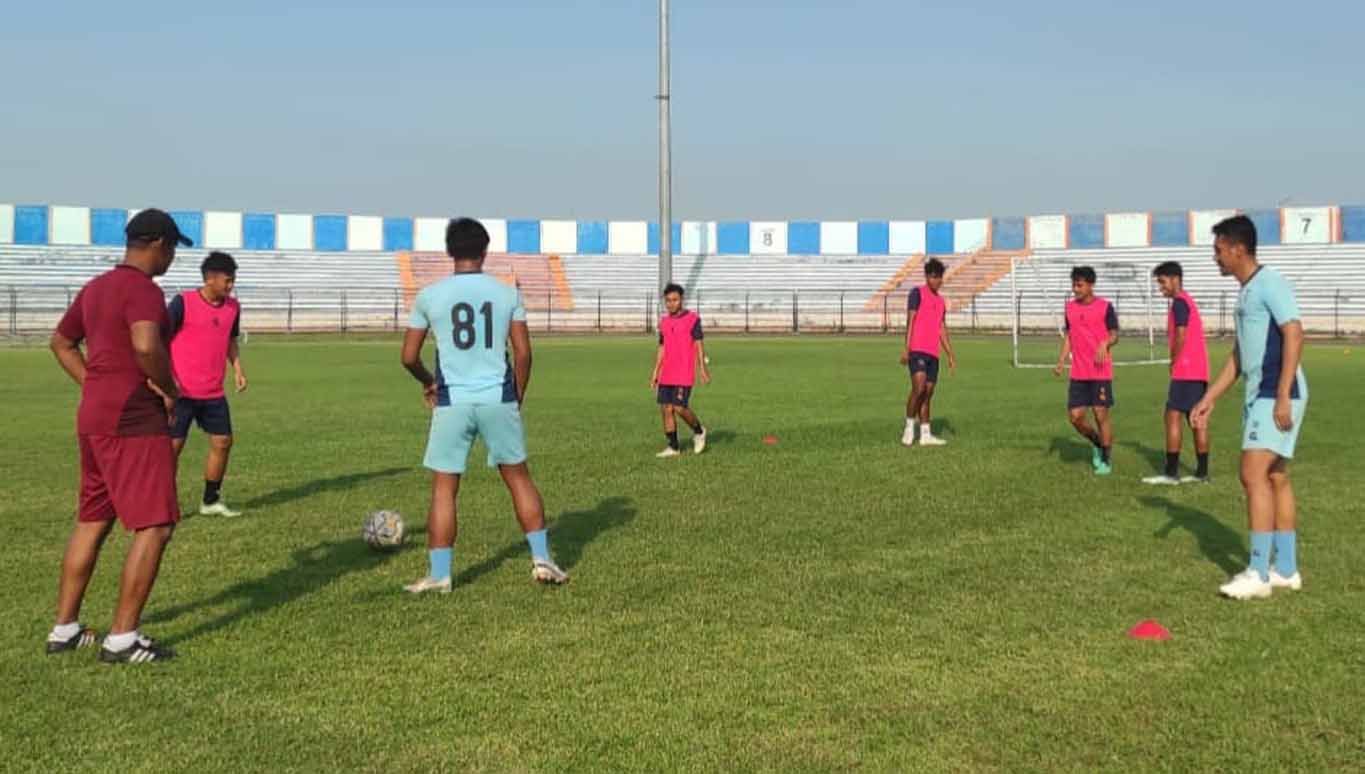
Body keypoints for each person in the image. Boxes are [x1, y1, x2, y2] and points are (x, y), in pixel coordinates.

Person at [45, 208, 191, 664]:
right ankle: (123, 638)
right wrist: (169, 390)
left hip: (94, 416)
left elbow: (61, 342)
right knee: (156, 525)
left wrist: (93, 383)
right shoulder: (144, 290)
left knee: (94, 519)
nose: (171, 260)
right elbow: (147, 344)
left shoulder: (96, 288)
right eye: (171, 250)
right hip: (133, 418)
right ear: (158, 246)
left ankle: (64, 628)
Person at [400, 217, 568, 593]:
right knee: (518, 478)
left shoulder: (429, 296)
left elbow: (408, 356)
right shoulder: (506, 293)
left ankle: (440, 574)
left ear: (449, 252)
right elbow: (523, 353)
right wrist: (516, 396)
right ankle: (542, 560)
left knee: (444, 488)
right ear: (485, 251)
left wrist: (430, 382)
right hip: (498, 397)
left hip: (452, 401)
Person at [1191, 215, 1308, 600]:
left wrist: (1282, 393)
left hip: (1275, 393)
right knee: (1275, 476)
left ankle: (1258, 572)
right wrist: (1209, 398)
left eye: (1219, 250)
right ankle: (1286, 570)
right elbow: (1240, 357)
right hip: (1261, 393)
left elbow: (1294, 330)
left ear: (1238, 248)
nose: (1216, 257)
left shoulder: (1269, 283)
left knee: (1251, 474)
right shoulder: (1246, 292)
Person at [168, 251, 247, 516]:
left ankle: (210, 501)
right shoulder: (182, 303)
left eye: (233, 279)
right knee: (172, 448)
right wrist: (163, 381)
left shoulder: (233, 308)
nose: (231, 285)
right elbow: (159, 340)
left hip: (213, 391)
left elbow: (230, 340)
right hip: (181, 391)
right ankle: (161, 502)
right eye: (228, 280)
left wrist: (237, 369)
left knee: (223, 442)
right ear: (210, 278)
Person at [1143, 262, 1211, 485]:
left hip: (1186, 370)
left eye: (1162, 282)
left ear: (1174, 279)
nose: (1160, 288)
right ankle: (1202, 473)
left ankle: (1171, 474)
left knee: (1172, 416)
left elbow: (1181, 334)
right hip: (1199, 371)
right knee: (1197, 419)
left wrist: (1174, 360)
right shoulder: (1187, 301)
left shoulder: (1179, 303)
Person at [1053, 266, 1119, 475]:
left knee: (1101, 415)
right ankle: (1098, 443)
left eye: (1079, 285)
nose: (1076, 289)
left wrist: (1105, 344)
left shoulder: (1105, 307)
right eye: (1074, 284)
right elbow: (1070, 337)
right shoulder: (1070, 308)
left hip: (1100, 371)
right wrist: (1061, 361)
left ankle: (1106, 459)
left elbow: (1115, 334)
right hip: (1079, 373)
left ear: (1091, 285)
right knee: (1075, 417)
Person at [899, 258, 957, 446]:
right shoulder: (917, 293)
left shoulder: (941, 302)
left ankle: (925, 434)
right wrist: (906, 348)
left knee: (928, 393)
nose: (936, 280)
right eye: (933, 277)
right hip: (917, 350)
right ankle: (909, 428)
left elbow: (941, 328)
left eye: (939, 277)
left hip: (933, 353)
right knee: (919, 388)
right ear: (927, 277)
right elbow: (911, 321)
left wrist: (950, 354)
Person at [649, 283, 711, 458]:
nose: (671, 303)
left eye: (675, 300)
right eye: (668, 300)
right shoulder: (664, 322)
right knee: (666, 409)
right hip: (667, 372)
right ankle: (673, 447)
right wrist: (655, 372)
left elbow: (698, 344)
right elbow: (662, 347)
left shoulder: (693, 319)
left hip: (684, 372)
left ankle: (699, 431)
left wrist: (702, 368)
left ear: (681, 300)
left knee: (679, 408)